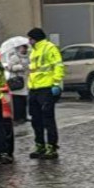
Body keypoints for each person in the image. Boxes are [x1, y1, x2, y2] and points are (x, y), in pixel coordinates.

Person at [25, 27, 63, 160]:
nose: (29, 41)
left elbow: (58, 65)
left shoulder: (49, 47)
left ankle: (51, 147)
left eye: (30, 39)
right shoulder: (33, 51)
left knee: (48, 118)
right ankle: (40, 145)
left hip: (46, 88)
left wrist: (56, 83)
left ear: (35, 38)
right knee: (36, 119)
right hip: (34, 88)